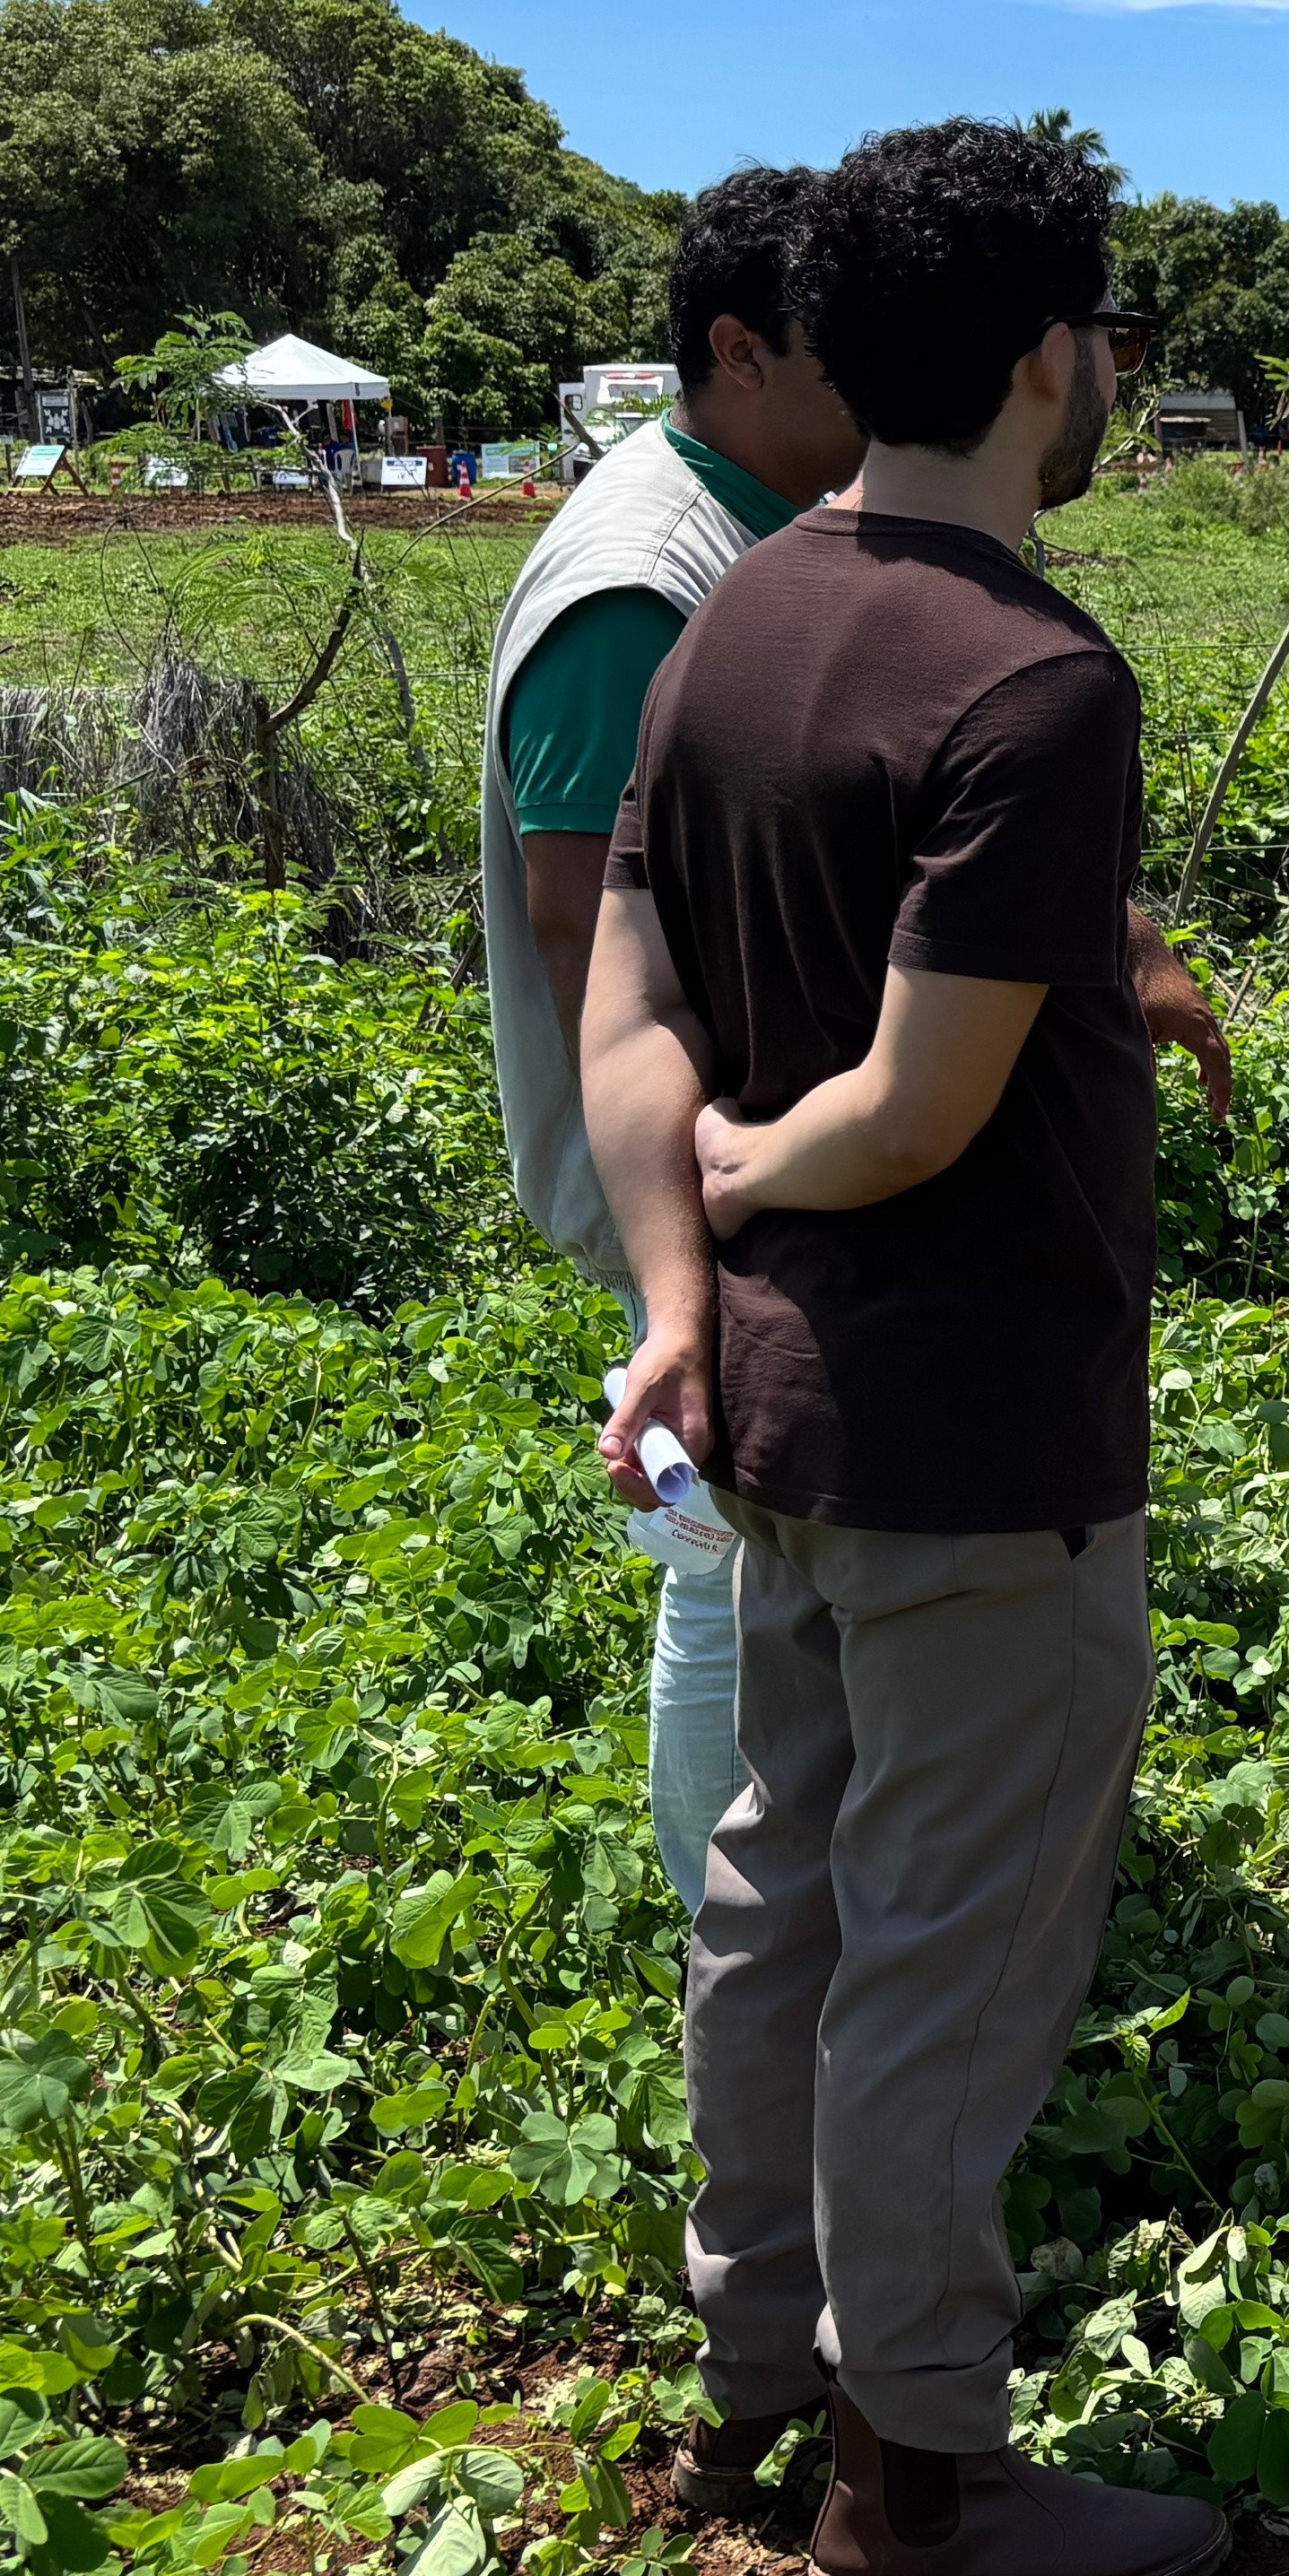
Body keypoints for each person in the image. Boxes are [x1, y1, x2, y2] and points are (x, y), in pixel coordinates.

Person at [586, 117, 1229, 2576]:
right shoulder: (1038, 680)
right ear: (1056, 355)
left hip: (784, 1418)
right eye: (1105, 336)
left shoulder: (734, 618)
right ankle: (918, 2483)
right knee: (950, 1953)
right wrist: (754, 1179)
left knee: (784, 1883)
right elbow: (913, 1104)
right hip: (984, 1433)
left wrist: (676, 1274)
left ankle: (759, 2357)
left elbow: (628, 998)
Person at [478, 167, 871, 1917]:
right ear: (737, 352)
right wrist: (690, 1254)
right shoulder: (643, 579)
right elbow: (588, 931)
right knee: (722, 1552)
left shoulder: (760, 526)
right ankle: (733, 1936)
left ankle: (802, 1885)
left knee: (777, 1540)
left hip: (760, 1147)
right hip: (698, 1171)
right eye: (842, 341)